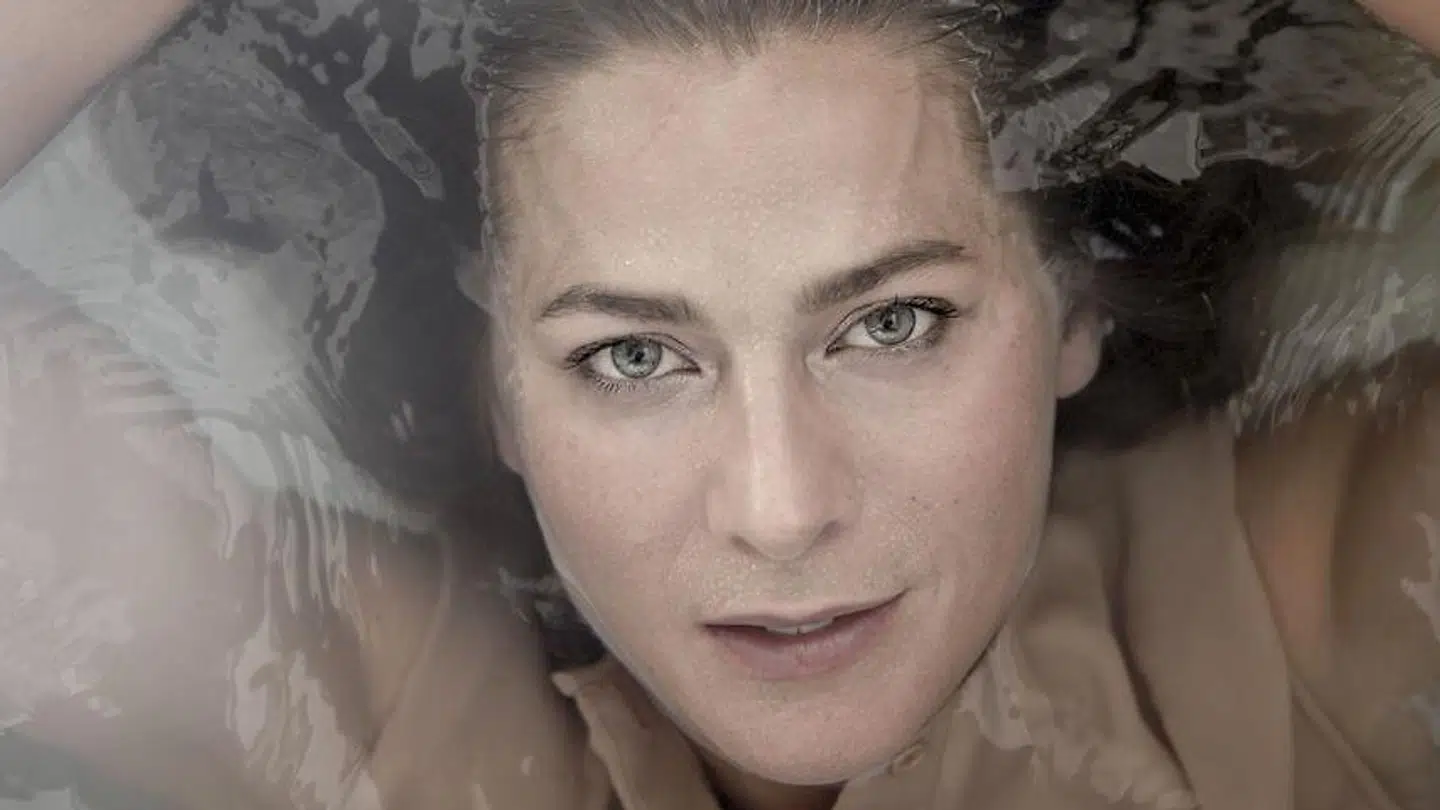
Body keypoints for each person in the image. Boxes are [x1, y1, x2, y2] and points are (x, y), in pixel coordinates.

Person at [2, 2, 1439, 810]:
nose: (780, 507)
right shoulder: (391, 726)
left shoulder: (1296, 612)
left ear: (1076, 303)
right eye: (633, 356)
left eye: (893, 323)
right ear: (494, 382)